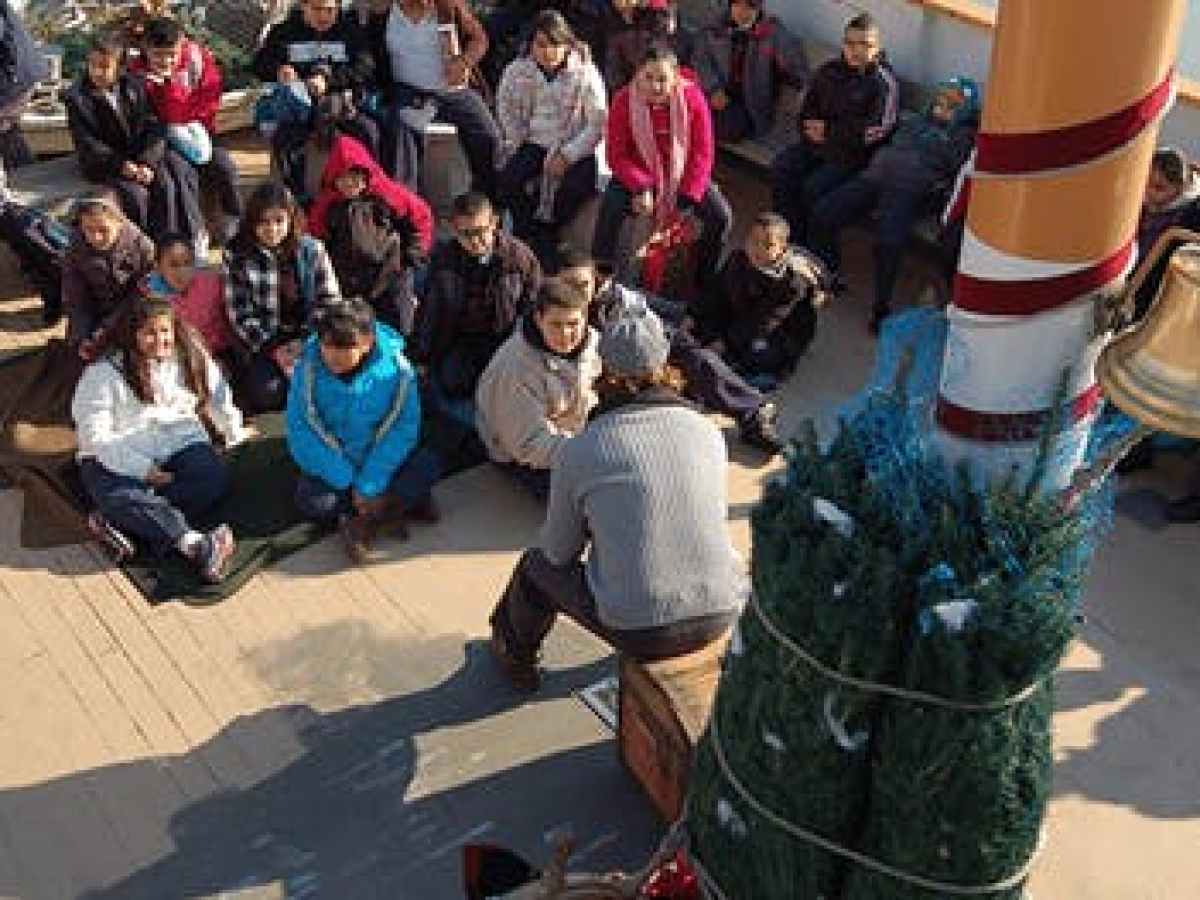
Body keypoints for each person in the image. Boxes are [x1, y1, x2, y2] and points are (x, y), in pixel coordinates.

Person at [488, 305, 747, 691]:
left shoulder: (582, 451)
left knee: (535, 570)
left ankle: (516, 657)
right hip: (723, 607)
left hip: (641, 628)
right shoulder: (706, 431)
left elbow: (557, 552)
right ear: (665, 364)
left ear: (604, 371)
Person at [71, 296, 247, 581]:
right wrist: (143, 470)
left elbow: (218, 393)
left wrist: (233, 431)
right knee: (120, 495)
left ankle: (120, 523)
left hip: (176, 441)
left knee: (213, 479)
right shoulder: (102, 375)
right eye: (149, 333)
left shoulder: (190, 354)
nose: (159, 339)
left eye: (164, 330)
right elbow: (96, 439)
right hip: (114, 456)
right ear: (133, 335)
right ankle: (198, 546)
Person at [557, 249, 783, 452]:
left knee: (694, 356)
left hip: (637, 369)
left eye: (583, 284)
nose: (577, 292)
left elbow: (655, 330)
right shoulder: (548, 318)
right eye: (568, 285)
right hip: (593, 386)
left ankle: (753, 411)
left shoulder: (617, 301)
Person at [806, 77, 977, 332]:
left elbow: (956, 174)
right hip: (873, 179)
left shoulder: (962, 137)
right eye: (942, 97)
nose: (944, 105)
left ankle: (881, 307)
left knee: (889, 242)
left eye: (954, 102)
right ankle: (830, 273)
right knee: (823, 212)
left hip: (908, 192)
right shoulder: (913, 120)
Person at [286, 297, 441, 563]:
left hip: (379, 461)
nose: (332, 355)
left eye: (344, 348)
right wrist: (347, 478)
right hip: (338, 466)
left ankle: (361, 517)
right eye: (327, 346)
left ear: (367, 342)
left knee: (428, 464)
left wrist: (370, 482)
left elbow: (404, 428)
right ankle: (391, 507)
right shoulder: (308, 370)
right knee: (312, 501)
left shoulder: (399, 372)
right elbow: (300, 430)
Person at [593, 44, 731, 295]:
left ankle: (703, 279)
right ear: (637, 74)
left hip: (682, 176)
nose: (655, 86)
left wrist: (688, 196)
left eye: (662, 79)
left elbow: (703, 152)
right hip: (639, 172)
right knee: (612, 204)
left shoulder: (692, 99)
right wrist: (641, 186)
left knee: (721, 216)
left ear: (676, 78)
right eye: (648, 77)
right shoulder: (624, 100)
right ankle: (601, 269)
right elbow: (616, 154)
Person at [413, 191, 542, 430]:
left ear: (494, 222)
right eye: (466, 234)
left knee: (509, 391)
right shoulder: (445, 260)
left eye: (481, 231)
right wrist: (421, 355)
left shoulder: (519, 258)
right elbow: (431, 310)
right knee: (453, 385)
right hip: (463, 339)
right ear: (453, 229)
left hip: (505, 340)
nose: (475, 241)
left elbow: (533, 305)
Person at [770, 12, 898, 250]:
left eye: (865, 45)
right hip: (815, 145)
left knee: (813, 188)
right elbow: (806, 106)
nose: (856, 51)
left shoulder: (883, 83)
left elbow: (879, 129)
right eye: (850, 43)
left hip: (851, 156)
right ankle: (787, 239)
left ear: (877, 48)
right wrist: (808, 127)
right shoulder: (829, 71)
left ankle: (812, 251)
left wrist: (831, 132)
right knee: (782, 169)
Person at [495, 10, 607, 263]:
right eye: (541, 45)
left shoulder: (585, 73)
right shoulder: (517, 71)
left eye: (555, 45)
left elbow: (597, 123)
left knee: (574, 187)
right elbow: (505, 106)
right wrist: (517, 138)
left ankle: (552, 231)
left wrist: (567, 156)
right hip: (533, 141)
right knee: (509, 182)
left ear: (567, 44)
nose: (548, 52)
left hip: (574, 145)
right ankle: (527, 231)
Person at [475, 278, 601, 501]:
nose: (565, 334)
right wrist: (590, 454)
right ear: (538, 319)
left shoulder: (594, 345)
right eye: (556, 324)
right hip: (525, 455)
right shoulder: (515, 367)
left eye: (573, 324)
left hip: (578, 437)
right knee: (590, 498)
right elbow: (528, 444)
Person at [64, 31, 197, 238]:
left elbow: (154, 126)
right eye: (93, 65)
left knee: (166, 183)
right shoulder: (77, 97)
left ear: (119, 68)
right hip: (107, 164)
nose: (97, 72)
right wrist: (121, 165)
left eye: (104, 67)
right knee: (136, 196)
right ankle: (142, 246)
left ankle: (171, 240)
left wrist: (147, 162)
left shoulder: (135, 84)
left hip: (139, 157)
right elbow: (87, 142)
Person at [222, 181, 341, 414]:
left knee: (327, 385)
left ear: (291, 219)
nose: (272, 229)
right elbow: (239, 313)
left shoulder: (312, 250)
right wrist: (274, 348)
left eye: (279, 221)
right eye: (264, 222)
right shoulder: (237, 254)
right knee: (267, 393)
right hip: (265, 342)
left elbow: (330, 302)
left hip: (309, 337)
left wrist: (306, 340)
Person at [366, 0, 502, 197]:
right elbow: (372, 55)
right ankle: (406, 202)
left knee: (487, 134)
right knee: (403, 127)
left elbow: (479, 40)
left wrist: (463, 62)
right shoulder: (382, 14)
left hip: (453, 90)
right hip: (410, 92)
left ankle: (485, 199)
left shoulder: (447, 7)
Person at [131, 16, 244, 250]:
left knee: (225, 165)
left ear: (181, 44)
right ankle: (194, 233)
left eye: (171, 54)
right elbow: (156, 116)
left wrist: (189, 120)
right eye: (158, 55)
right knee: (181, 173)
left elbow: (209, 99)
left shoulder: (197, 60)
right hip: (162, 141)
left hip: (199, 131)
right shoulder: (137, 75)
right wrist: (169, 90)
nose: (165, 61)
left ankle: (235, 220)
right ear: (146, 49)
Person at [305, 133, 433, 336]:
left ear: (365, 176)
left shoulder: (388, 195)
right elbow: (314, 238)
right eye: (342, 179)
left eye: (355, 179)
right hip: (347, 282)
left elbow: (421, 218)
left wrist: (411, 258)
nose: (349, 185)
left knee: (399, 329)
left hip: (389, 276)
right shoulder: (327, 205)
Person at [693, 212, 827, 388]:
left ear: (782, 249)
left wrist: (724, 343)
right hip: (745, 317)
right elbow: (716, 292)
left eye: (768, 245)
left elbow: (762, 321)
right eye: (754, 241)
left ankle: (773, 374)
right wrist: (693, 315)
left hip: (777, 333)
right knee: (702, 327)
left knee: (751, 356)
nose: (758, 249)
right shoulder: (737, 259)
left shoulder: (792, 282)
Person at [253, 0, 380, 160]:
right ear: (303, 6)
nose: (323, 16)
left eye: (330, 10)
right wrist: (279, 70)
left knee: (369, 130)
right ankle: (292, 183)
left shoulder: (351, 32)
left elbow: (365, 68)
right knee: (285, 136)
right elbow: (260, 65)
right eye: (317, 9)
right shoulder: (283, 32)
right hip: (297, 108)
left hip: (340, 104)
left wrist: (328, 80)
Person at [692, 0, 808, 143]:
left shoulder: (773, 34)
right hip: (715, 92)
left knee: (723, 126)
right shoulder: (716, 26)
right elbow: (700, 57)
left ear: (759, 8)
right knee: (688, 111)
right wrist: (713, 88)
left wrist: (789, 95)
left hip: (748, 104)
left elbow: (798, 71)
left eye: (750, 7)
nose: (742, 12)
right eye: (737, 4)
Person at [62, 193, 156, 362]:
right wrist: (83, 335)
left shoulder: (143, 248)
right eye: (88, 230)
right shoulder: (75, 249)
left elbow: (142, 296)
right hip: (95, 315)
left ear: (119, 223)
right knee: (77, 358)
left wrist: (105, 330)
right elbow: (76, 298)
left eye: (103, 230)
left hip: (131, 314)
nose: (95, 237)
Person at [140, 233, 235, 359]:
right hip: (177, 358)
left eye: (187, 263)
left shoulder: (212, 282)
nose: (182, 272)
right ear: (158, 267)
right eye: (173, 265)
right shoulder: (150, 295)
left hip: (220, 352)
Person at [0, 0, 48, 173]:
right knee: (8, 130)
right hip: (22, 74)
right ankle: (25, 171)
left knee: (5, 129)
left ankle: (24, 174)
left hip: (15, 77)